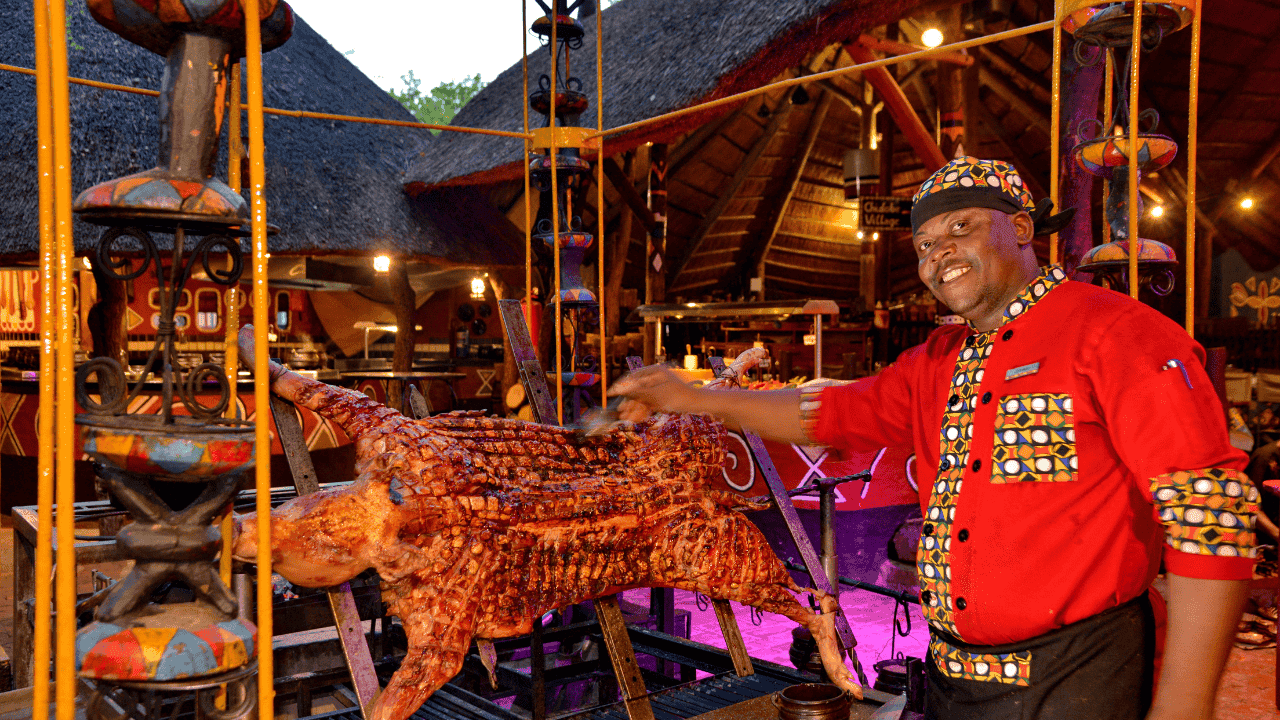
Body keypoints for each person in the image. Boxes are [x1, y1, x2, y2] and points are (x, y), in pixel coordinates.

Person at [609, 157, 1258, 720]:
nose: (937, 253)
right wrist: (692, 397)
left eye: (959, 228)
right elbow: (827, 414)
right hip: (952, 679)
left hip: (1078, 678)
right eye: (922, 245)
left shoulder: (1118, 334)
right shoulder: (936, 363)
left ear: (1023, 229)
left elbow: (1212, 519)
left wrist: (1185, 706)